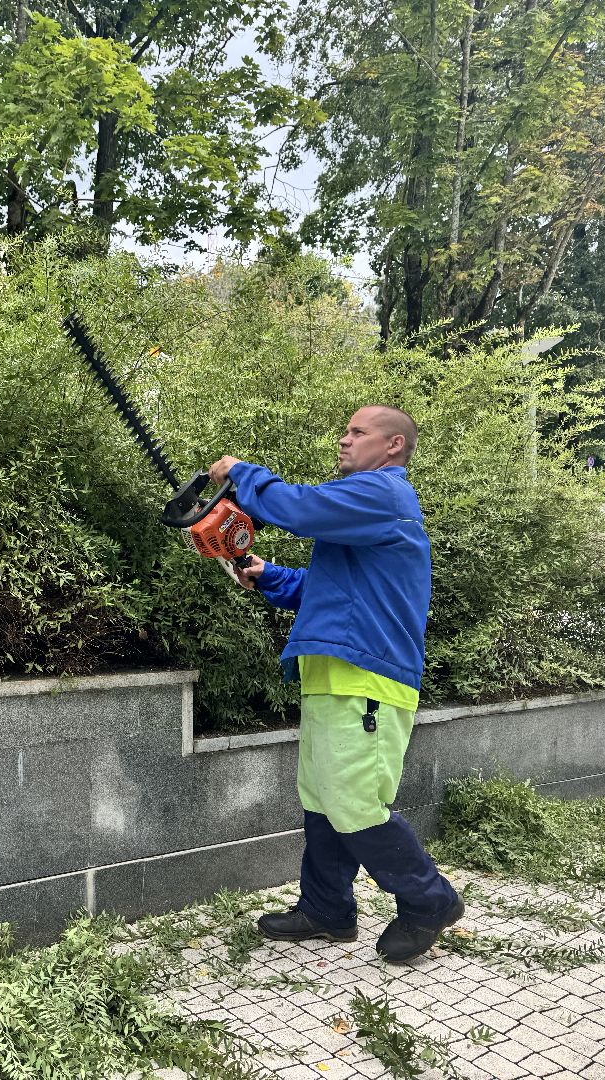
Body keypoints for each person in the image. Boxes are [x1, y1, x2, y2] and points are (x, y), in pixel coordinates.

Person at [208, 405, 462, 964]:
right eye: (345, 430)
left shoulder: (383, 493)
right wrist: (269, 577)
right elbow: (330, 588)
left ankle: (430, 900)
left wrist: (242, 474)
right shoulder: (366, 512)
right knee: (323, 799)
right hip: (333, 676)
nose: (344, 439)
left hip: (367, 680)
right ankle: (327, 908)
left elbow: (301, 508)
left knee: (354, 802)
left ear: (393, 446)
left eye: (357, 432)